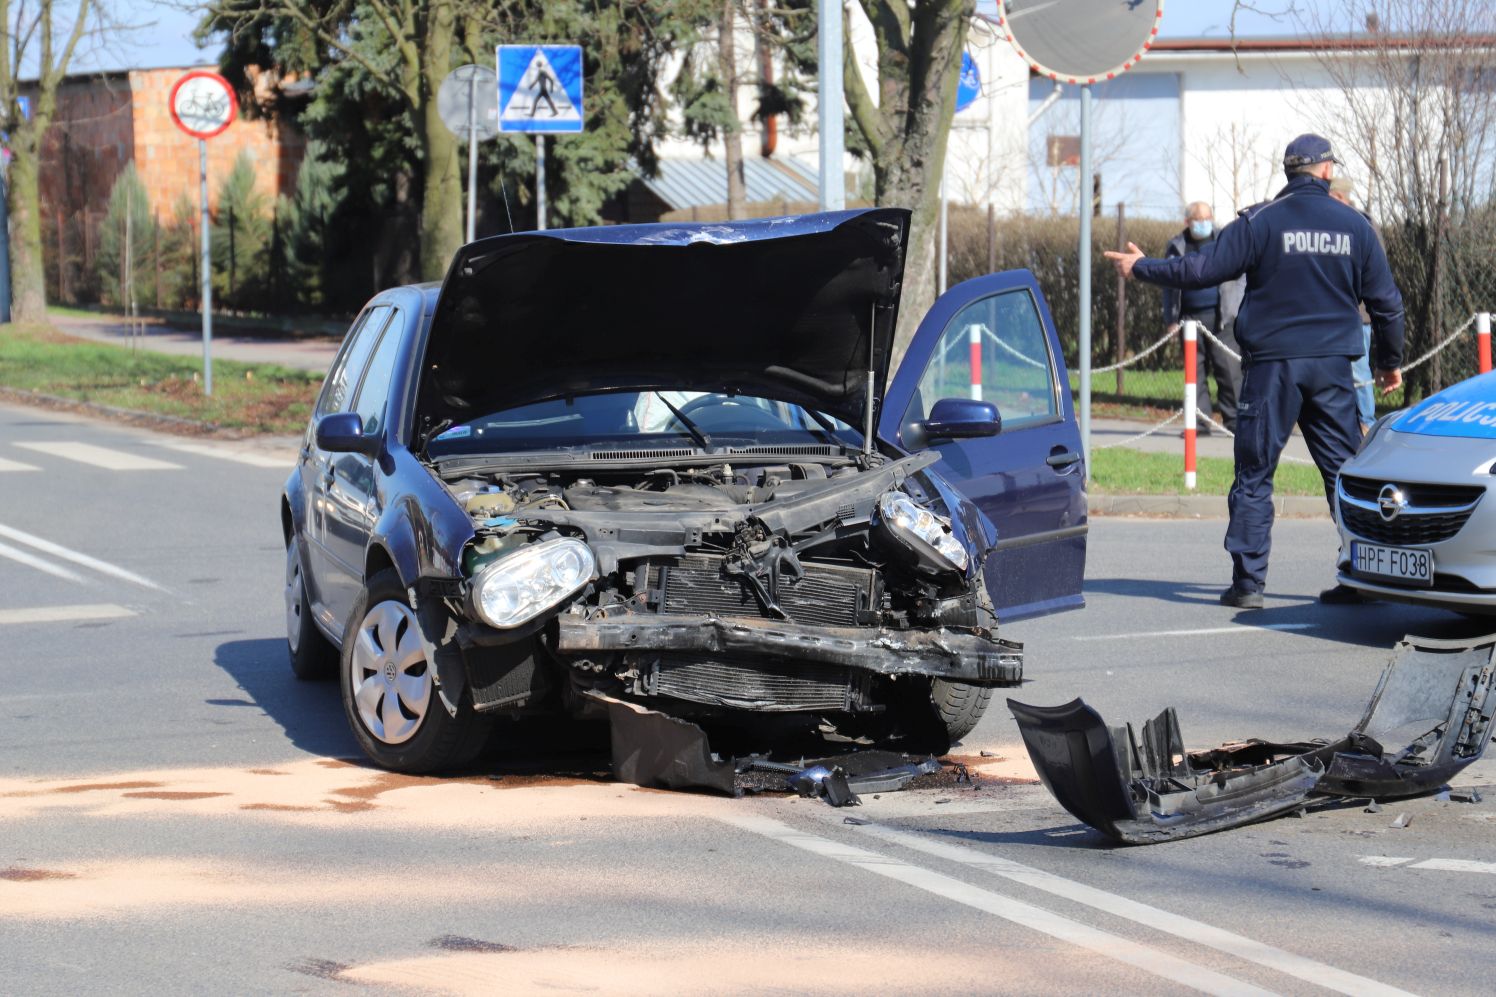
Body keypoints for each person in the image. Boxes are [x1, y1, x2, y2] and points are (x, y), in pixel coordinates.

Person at [1105, 133, 1405, 609]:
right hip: (1332, 369)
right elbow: (1387, 305)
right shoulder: (1355, 226)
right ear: (1326, 172)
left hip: (1271, 368)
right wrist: (1389, 363)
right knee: (1345, 474)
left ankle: (1248, 584)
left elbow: (1200, 271)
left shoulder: (1260, 221)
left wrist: (1142, 268)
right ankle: (1360, 573)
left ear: (1289, 172)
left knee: (1254, 473)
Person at [1162, 202, 1246, 433]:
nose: (1203, 222)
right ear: (1188, 221)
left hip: (1222, 318)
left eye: (1207, 217)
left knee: (1229, 372)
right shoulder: (1176, 246)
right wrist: (1170, 319)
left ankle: (1235, 422)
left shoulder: (1224, 240)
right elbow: (1168, 285)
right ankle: (1200, 422)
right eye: (1198, 218)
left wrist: (1236, 308)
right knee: (1194, 374)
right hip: (1188, 319)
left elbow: (1240, 276)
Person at [1328, 175, 1379, 431]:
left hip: (1356, 313)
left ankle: (1366, 422)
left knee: (1359, 372)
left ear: (1337, 197)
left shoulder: (1363, 225)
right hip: (1332, 312)